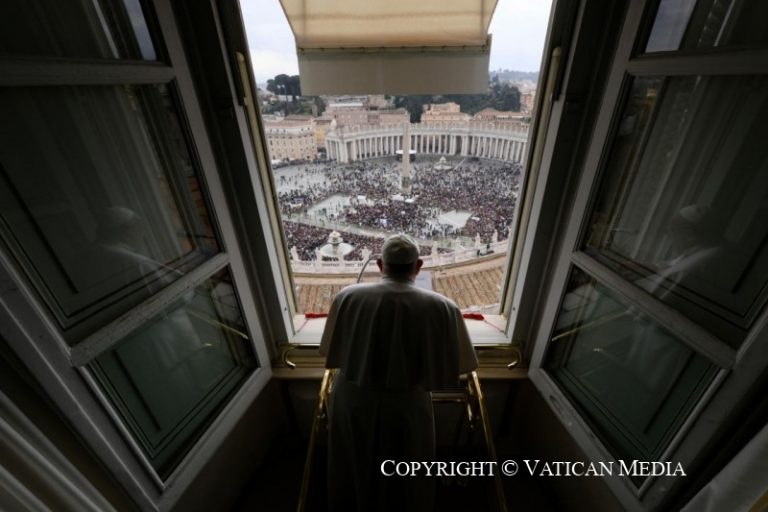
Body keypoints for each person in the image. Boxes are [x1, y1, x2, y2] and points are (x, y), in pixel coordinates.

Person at [319, 234, 478, 511]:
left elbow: (330, 350)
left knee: (353, 464)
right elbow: (463, 365)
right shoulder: (444, 307)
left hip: (352, 399)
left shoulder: (347, 297)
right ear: (418, 266)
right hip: (407, 403)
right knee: (406, 471)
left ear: (380, 265)